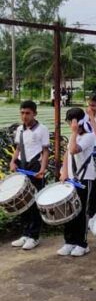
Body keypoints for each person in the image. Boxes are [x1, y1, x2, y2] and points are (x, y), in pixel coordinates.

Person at [9, 100, 50, 250]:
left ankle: (34, 236)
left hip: (35, 167)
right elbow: (18, 148)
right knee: (22, 201)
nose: (24, 116)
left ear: (34, 114)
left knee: (34, 202)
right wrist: (13, 162)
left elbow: (46, 151)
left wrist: (43, 169)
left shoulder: (42, 129)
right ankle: (25, 234)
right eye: (22, 113)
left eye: (27, 113)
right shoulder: (19, 129)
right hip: (21, 167)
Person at [59, 108, 96, 257]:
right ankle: (69, 241)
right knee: (68, 211)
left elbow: (74, 150)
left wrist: (75, 132)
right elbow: (67, 154)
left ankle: (82, 244)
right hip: (71, 178)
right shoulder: (73, 136)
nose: (70, 124)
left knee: (81, 211)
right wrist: (64, 172)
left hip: (84, 178)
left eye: (72, 121)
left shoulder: (89, 137)